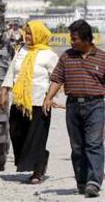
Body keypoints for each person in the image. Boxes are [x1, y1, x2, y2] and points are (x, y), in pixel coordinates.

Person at [43, 19, 104, 198]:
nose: (71, 42)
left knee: (94, 144)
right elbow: (57, 79)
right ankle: (82, 182)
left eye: (74, 39)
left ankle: (94, 182)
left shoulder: (102, 57)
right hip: (73, 107)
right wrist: (48, 98)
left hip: (96, 106)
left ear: (86, 40)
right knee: (77, 147)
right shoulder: (66, 57)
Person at [0, 20, 58, 184]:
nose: (28, 36)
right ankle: (41, 157)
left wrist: (50, 97)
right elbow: (12, 72)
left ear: (40, 34)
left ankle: (37, 172)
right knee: (17, 134)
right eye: (27, 33)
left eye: (31, 33)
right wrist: (4, 91)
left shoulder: (49, 55)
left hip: (40, 103)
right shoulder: (21, 50)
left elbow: (57, 79)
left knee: (36, 138)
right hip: (19, 101)